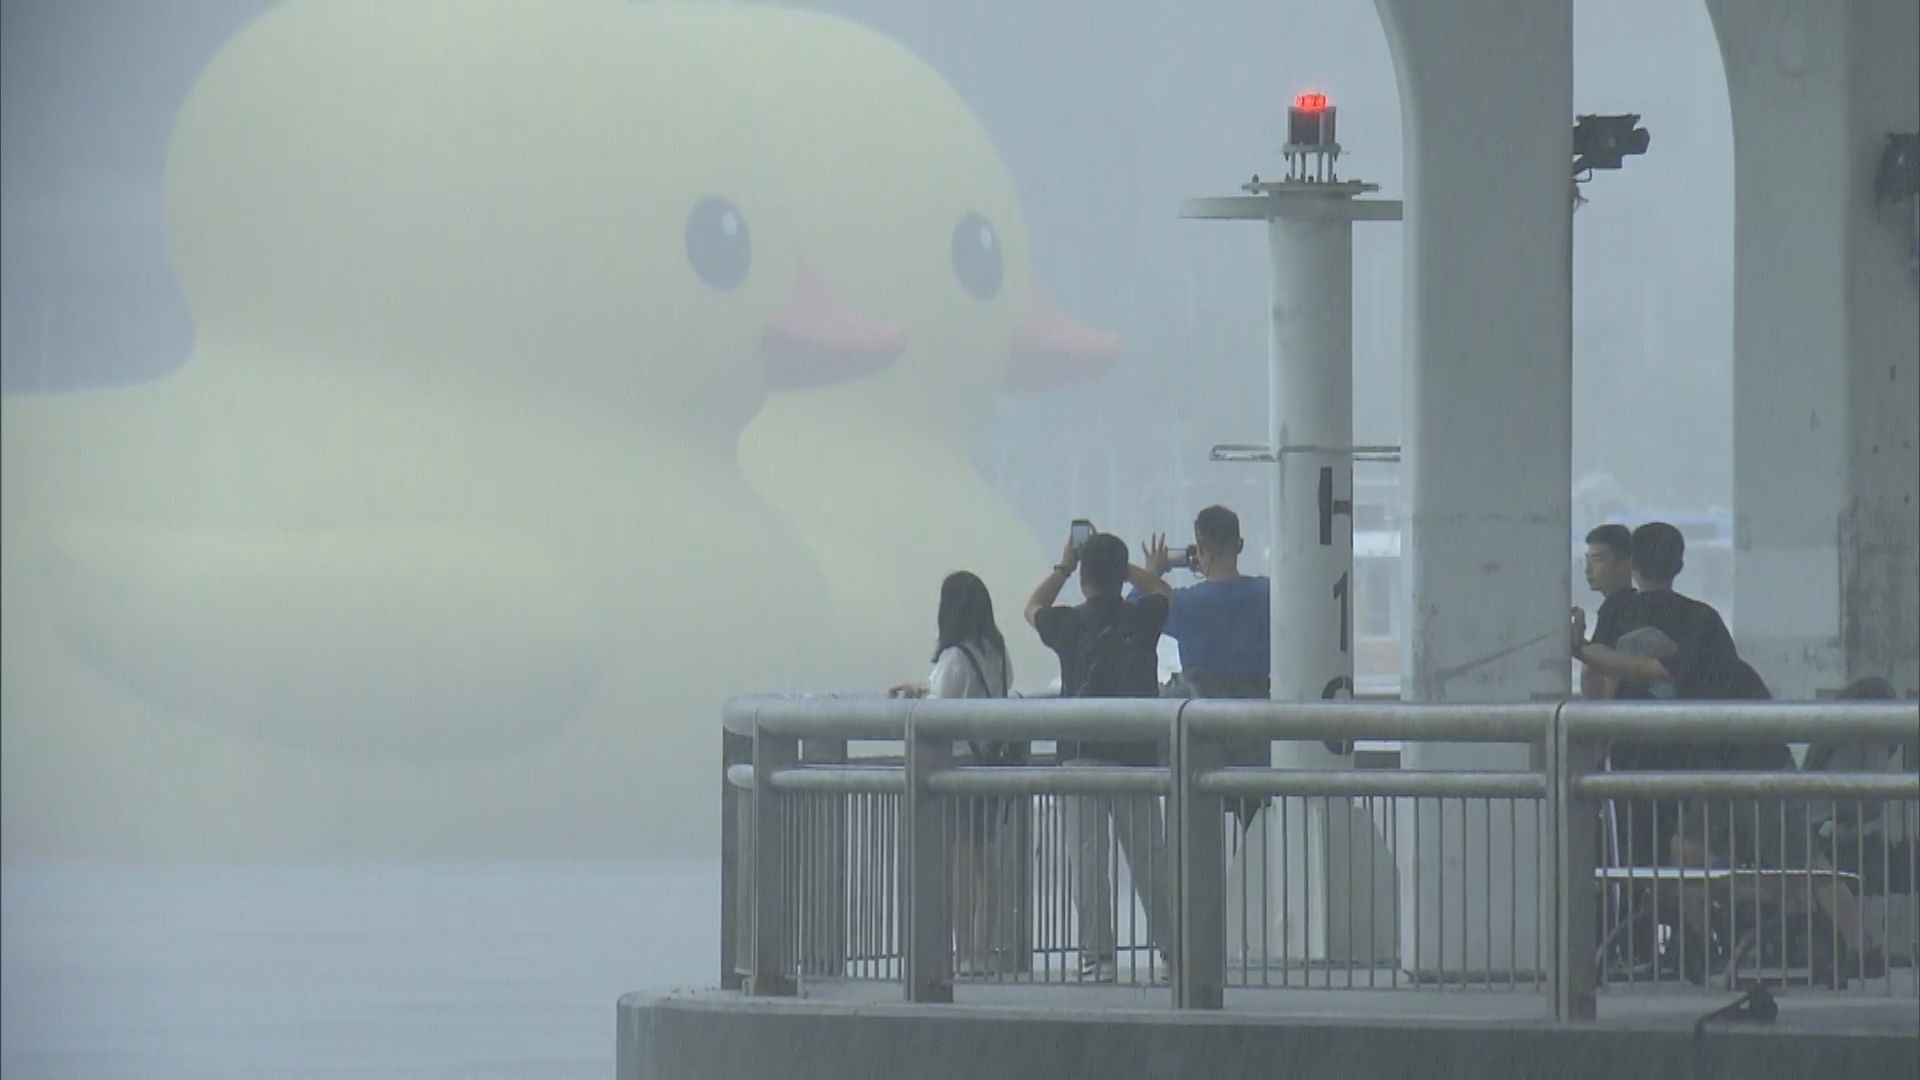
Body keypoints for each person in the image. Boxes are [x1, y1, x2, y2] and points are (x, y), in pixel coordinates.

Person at [1026, 528, 1170, 980]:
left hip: (1081, 755)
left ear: (1085, 574)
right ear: (1119, 574)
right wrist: (1133, 568)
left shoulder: (1068, 622)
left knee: (1087, 861)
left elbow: (1031, 609)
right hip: (1135, 756)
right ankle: (1175, 950)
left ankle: (1099, 957)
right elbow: (1166, 591)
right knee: (1151, 860)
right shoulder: (1142, 618)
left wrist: (1065, 565)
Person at [892, 571, 1017, 975]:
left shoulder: (954, 657)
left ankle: (962, 951)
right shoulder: (997, 652)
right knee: (986, 858)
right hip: (992, 762)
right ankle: (983, 950)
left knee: (962, 858)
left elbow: (940, 707)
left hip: (960, 763)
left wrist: (917, 695)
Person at [1129, 504, 1270, 828]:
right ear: (1240, 545)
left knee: (1198, 838)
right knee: (1260, 840)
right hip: (1257, 740)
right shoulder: (1267, 594)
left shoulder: (1186, 603)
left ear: (1200, 550)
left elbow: (1134, 610)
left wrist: (1154, 572)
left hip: (1203, 743)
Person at [1571, 523, 1635, 700]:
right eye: (1587, 560)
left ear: (1625, 564)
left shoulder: (1616, 608)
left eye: (1597, 560)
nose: (1588, 570)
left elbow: (1608, 670)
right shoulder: (1623, 605)